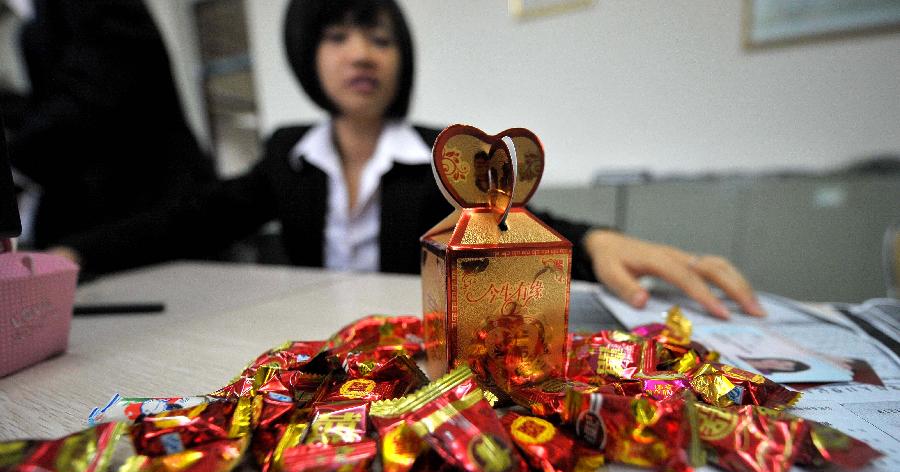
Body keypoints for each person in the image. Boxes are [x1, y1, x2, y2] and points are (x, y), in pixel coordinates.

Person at [51, 0, 763, 319]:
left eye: (379, 37)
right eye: (336, 35)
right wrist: (72, 255)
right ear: (308, 55)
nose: (360, 52)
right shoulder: (285, 157)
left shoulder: (441, 157)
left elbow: (518, 217)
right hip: (310, 350)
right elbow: (190, 219)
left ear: (401, 57)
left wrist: (601, 239)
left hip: (414, 352)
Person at [0, 0, 214, 257]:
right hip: (93, 221)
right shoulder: (34, 24)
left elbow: (96, 96)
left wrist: (16, 157)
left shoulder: (88, 9)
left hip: (143, 208)